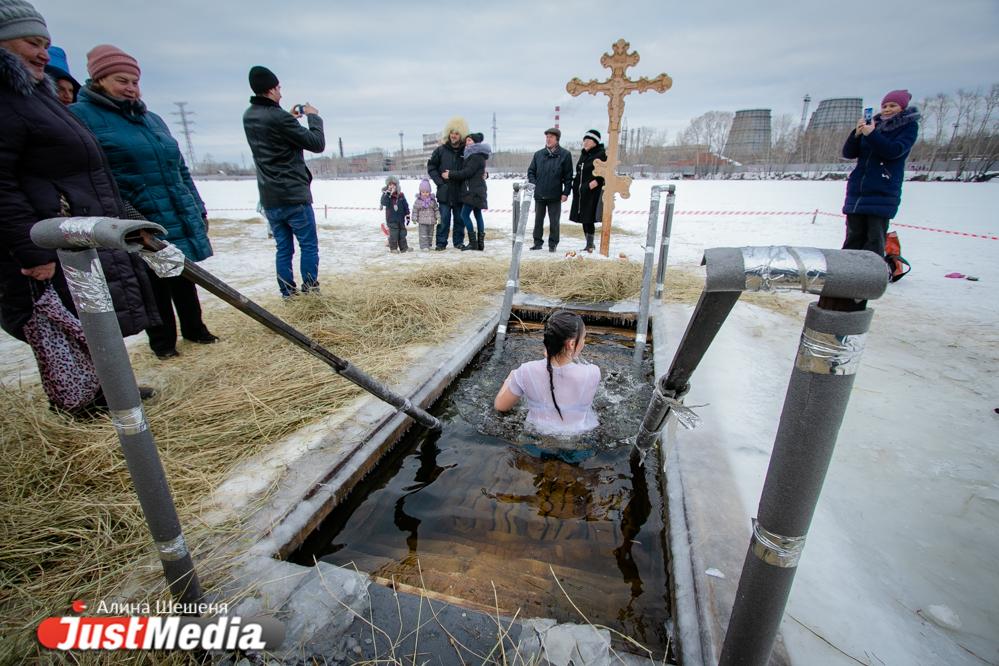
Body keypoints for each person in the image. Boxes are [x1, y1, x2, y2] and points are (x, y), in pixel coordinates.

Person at [0, 0, 159, 411]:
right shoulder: (9, 100)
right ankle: (82, 403)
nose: (41, 53)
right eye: (32, 43)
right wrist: (32, 248)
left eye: (46, 44)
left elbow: (89, 173)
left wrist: (129, 222)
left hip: (77, 232)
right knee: (62, 324)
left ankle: (111, 390)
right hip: (49, 238)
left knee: (93, 316)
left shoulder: (35, 96)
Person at [71, 44, 218, 360]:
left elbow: (179, 167)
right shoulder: (83, 118)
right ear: (98, 81)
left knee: (180, 269)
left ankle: (196, 329)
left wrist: (196, 205)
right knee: (151, 281)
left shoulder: (152, 120)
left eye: (134, 82)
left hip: (172, 209)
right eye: (121, 81)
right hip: (134, 214)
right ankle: (163, 343)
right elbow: (93, 175)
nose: (130, 88)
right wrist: (127, 216)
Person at [242, 65, 325, 297]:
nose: (281, 92)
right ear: (270, 89)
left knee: (283, 248)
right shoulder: (278, 118)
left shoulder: (249, 116)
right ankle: (309, 289)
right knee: (308, 245)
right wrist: (313, 116)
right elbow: (316, 143)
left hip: (270, 197)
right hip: (293, 195)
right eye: (278, 87)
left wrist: (288, 118)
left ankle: (287, 292)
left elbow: (273, 134)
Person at [494, 310, 600, 436]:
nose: (583, 342)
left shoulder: (526, 371)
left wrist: (511, 376)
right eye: (583, 338)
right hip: (580, 439)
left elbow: (501, 406)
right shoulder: (592, 372)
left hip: (536, 437)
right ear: (572, 344)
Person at [841, 89, 920, 258]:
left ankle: (870, 278)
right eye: (884, 105)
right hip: (858, 191)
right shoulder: (872, 125)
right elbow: (848, 153)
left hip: (882, 189)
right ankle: (846, 275)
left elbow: (893, 151)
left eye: (893, 105)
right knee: (853, 236)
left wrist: (872, 134)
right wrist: (856, 134)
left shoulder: (908, 126)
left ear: (903, 107)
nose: (887, 109)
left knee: (874, 239)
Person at [527, 127, 573, 253]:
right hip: (540, 194)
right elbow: (531, 171)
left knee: (554, 221)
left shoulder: (565, 155)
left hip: (555, 195)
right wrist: (534, 183)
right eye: (547, 137)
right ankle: (537, 242)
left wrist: (566, 192)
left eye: (551, 137)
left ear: (557, 139)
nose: (548, 139)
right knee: (538, 220)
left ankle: (553, 244)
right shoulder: (538, 154)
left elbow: (568, 177)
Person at [443, 132, 490, 252]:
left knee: (464, 215)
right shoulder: (477, 155)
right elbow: (477, 172)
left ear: (475, 143)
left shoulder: (474, 156)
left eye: (469, 140)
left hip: (473, 191)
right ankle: (480, 244)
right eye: (467, 140)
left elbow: (467, 172)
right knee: (477, 214)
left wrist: (450, 174)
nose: (467, 142)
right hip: (477, 190)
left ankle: (474, 242)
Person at [426, 117, 467, 250]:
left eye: (456, 133)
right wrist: (440, 183)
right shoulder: (440, 151)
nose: (454, 136)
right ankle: (441, 243)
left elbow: (472, 168)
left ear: (461, 135)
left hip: (460, 192)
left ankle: (458, 242)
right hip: (444, 192)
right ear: (448, 134)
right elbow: (431, 167)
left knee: (460, 220)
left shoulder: (466, 151)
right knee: (443, 219)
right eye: (452, 133)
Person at [569, 129, 607, 253]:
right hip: (581, 192)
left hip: (592, 192)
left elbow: (605, 171)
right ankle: (589, 243)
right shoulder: (584, 154)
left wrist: (597, 181)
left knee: (589, 217)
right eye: (584, 140)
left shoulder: (601, 154)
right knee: (584, 218)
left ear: (595, 142)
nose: (585, 142)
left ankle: (590, 244)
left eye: (588, 140)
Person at [380, 175, 410, 253]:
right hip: (391, 219)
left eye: (393, 184)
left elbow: (405, 205)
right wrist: (388, 194)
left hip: (401, 219)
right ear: (387, 186)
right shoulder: (386, 195)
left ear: (397, 185)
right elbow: (383, 202)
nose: (392, 186)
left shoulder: (401, 195)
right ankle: (393, 248)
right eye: (390, 185)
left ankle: (404, 248)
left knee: (402, 234)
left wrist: (407, 215)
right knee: (394, 234)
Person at [411, 178, 440, 251]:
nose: (425, 194)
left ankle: (429, 244)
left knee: (430, 234)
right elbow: (415, 210)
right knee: (423, 234)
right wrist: (414, 218)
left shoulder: (432, 201)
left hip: (431, 221)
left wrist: (438, 217)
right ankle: (424, 246)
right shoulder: (418, 201)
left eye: (427, 192)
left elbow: (436, 209)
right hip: (422, 221)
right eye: (423, 192)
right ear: (420, 192)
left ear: (430, 192)